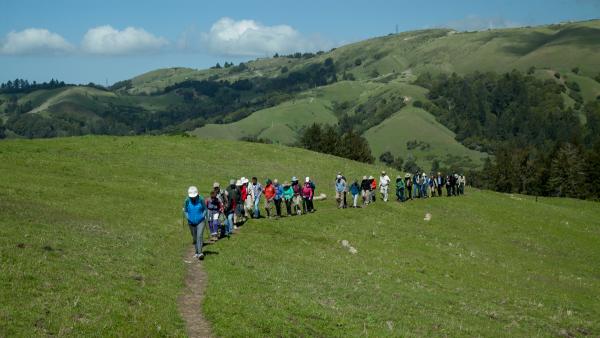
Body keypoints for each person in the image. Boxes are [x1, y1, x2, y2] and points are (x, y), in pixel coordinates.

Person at [183, 186, 206, 260]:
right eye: (191, 197)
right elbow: (186, 210)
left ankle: (200, 253)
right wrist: (188, 217)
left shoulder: (201, 199)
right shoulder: (187, 200)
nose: (193, 198)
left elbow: (205, 209)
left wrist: (203, 215)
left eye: (194, 196)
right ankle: (197, 252)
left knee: (199, 236)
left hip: (201, 221)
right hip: (191, 222)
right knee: (195, 237)